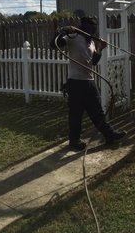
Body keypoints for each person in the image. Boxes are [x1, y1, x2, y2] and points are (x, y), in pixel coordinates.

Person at [50, 16, 126, 151]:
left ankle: (109, 135)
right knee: (76, 114)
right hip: (75, 82)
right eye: (88, 26)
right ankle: (74, 141)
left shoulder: (90, 42)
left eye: (92, 27)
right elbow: (54, 44)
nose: (90, 29)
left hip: (89, 81)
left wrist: (100, 48)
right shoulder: (73, 37)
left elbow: (93, 62)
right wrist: (62, 31)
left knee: (97, 112)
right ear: (82, 26)